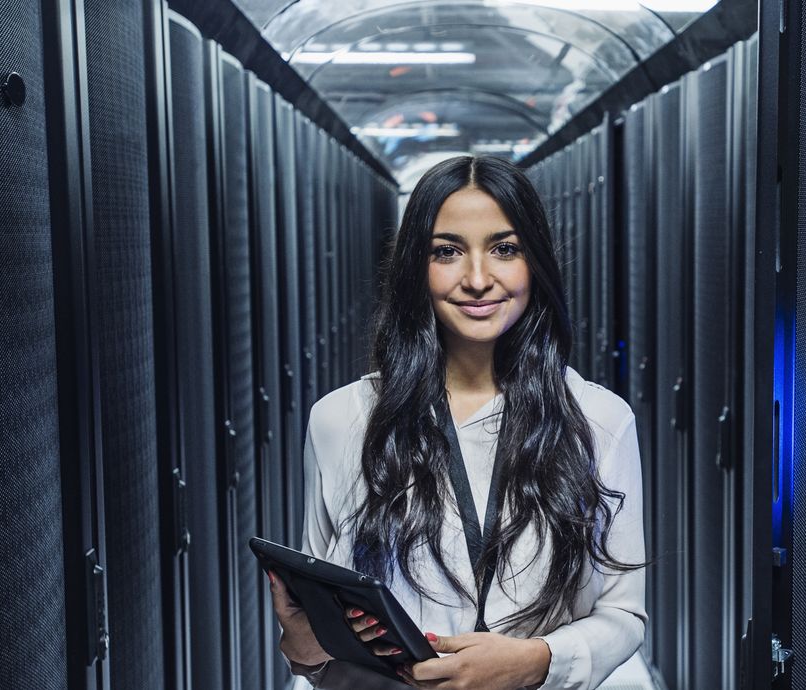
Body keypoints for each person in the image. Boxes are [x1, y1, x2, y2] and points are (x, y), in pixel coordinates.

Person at [268, 155, 646, 690]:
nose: (476, 279)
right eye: (447, 251)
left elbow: (624, 616)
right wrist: (303, 639)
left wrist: (537, 660)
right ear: (414, 268)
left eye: (504, 249)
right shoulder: (341, 418)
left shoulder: (599, 419)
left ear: (533, 262)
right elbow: (313, 644)